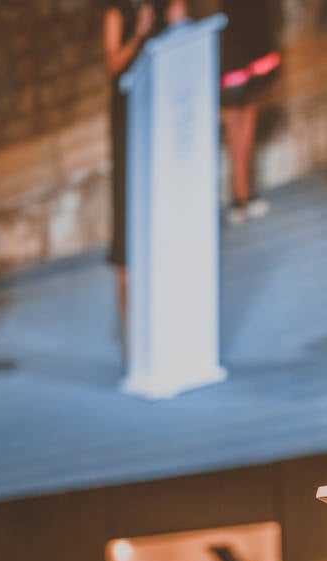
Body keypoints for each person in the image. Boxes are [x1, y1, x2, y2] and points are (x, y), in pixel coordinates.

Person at [102, 0, 189, 352]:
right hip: (128, 120)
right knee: (128, 219)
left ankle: (169, 319)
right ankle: (132, 332)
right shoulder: (115, 14)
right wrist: (138, 35)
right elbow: (113, 66)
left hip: (162, 113)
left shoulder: (162, 5)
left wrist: (178, 23)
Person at [219, 0, 282, 224]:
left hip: (248, 36)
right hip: (230, 37)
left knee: (245, 110)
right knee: (236, 113)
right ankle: (240, 192)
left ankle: (243, 193)